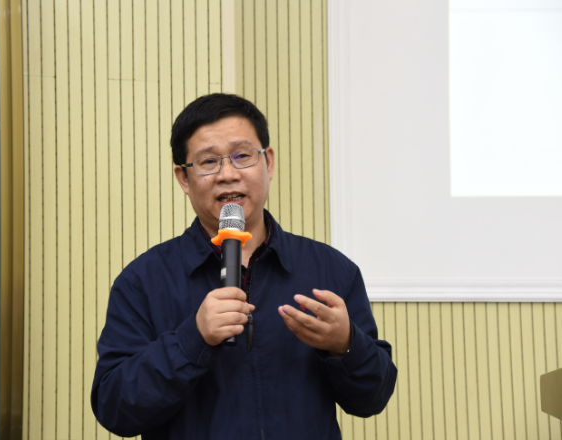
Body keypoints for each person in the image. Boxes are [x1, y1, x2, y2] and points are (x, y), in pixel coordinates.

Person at [91, 93, 397, 439]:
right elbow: (115, 409)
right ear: (183, 178)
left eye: (242, 156)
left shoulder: (331, 269)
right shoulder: (142, 281)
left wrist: (346, 345)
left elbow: (372, 399)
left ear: (268, 163)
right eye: (208, 161)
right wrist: (192, 339)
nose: (228, 174)